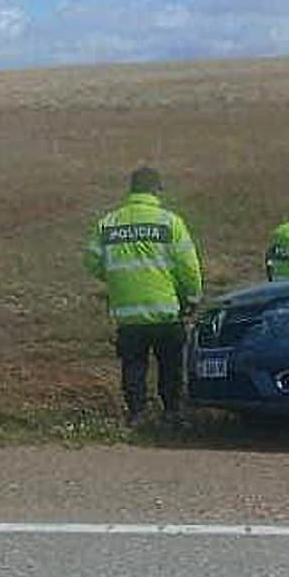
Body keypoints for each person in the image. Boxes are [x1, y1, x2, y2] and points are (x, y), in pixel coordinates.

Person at [83, 167, 203, 426]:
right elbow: (188, 266)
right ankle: (172, 412)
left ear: (131, 190)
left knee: (133, 366)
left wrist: (116, 279)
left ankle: (137, 413)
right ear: (156, 190)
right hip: (166, 310)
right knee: (170, 365)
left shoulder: (109, 223)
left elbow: (91, 261)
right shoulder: (170, 222)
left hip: (128, 313)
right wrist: (192, 297)